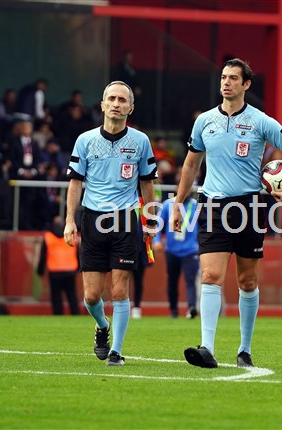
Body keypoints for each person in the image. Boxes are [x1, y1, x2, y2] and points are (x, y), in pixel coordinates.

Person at [176, 58, 282, 368]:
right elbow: (191, 164)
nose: (227, 82)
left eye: (234, 78)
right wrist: (179, 203)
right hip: (212, 205)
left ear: (246, 84)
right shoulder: (204, 121)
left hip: (249, 206)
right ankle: (207, 348)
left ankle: (244, 350)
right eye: (224, 77)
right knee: (210, 276)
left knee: (247, 281)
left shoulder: (261, 121)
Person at [64, 81, 158, 366]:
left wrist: (150, 219)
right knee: (91, 296)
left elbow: (147, 183)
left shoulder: (141, 141)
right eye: (112, 99)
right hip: (92, 220)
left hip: (125, 219)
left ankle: (116, 351)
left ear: (131, 107)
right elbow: (75, 182)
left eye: (122, 100)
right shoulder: (85, 140)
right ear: (103, 105)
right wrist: (70, 221)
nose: (117, 104)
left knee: (119, 290)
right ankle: (102, 326)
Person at [153, 192, 199, 319]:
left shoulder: (196, 206)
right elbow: (158, 225)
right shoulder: (167, 205)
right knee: (172, 281)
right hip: (172, 250)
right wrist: (156, 241)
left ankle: (191, 308)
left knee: (191, 280)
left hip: (191, 250)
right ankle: (173, 310)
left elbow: (204, 226)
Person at [37, 216, 80, 315]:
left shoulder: (48, 237)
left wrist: (40, 270)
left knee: (56, 296)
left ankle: (58, 314)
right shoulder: (71, 235)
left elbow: (43, 256)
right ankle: (75, 314)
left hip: (55, 271)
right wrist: (79, 267)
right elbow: (78, 253)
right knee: (72, 296)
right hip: (70, 270)